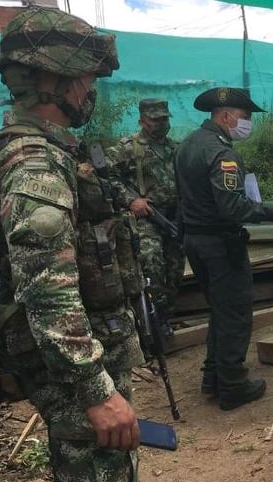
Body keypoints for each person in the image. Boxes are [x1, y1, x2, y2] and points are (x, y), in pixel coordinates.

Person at [0, 6, 142, 482]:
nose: (90, 91)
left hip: (69, 371)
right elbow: (49, 294)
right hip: (72, 378)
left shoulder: (45, 154)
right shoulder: (34, 166)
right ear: (50, 78)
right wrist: (96, 390)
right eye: (85, 79)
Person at [175, 87, 273, 411]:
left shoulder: (188, 144)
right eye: (245, 117)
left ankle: (213, 377)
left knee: (219, 309)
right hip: (221, 244)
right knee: (234, 312)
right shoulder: (223, 154)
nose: (247, 124)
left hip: (195, 241)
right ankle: (233, 385)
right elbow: (232, 207)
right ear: (226, 115)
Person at [108, 98, 184, 337]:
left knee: (175, 269)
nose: (160, 124)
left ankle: (165, 320)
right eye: (155, 119)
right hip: (146, 219)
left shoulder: (176, 148)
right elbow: (105, 177)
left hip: (174, 219)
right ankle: (152, 322)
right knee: (153, 265)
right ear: (142, 120)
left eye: (164, 119)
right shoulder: (127, 148)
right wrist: (131, 200)